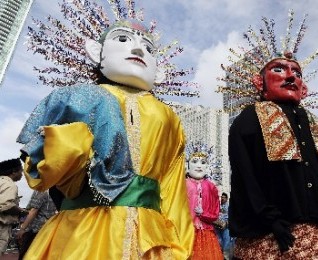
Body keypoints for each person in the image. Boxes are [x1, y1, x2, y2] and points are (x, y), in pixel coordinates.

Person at [16, 1, 195, 259]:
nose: (137, 48)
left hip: (150, 238)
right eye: (122, 39)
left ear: (160, 73)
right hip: (81, 231)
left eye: (148, 48)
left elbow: (174, 189)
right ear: (95, 51)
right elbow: (44, 171)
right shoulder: (77, 98)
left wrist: (179, 243)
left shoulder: (169, 118)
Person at [221, 11, 318, 259]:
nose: (290, 76)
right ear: (259, 82)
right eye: (279, 69)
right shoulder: (249, 119)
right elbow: (245, 176)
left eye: (297, 73)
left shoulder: (316, 124)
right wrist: (269, 218)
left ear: (304, 88)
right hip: (267, 239)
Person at [185, 142, 223, 260]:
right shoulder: (182, 185)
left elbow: (215, 213)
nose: (199, 166)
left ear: (208, 167)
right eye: (194, 161)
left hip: (207, 234)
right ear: (187, 165)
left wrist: (203, 213)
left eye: (203, 162)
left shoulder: (211, 187)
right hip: (186, 232)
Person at [16, 190, 57, 259]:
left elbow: (33, 211)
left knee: (25, 253)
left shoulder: (41, 190)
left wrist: (22, 228)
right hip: (48, 228)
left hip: (35, 228)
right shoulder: (55, 191)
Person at [0, 158, 27, 256]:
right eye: (21, 171)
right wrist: (23, 211)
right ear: (14, 171)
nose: (22, 174)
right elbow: (6, 205)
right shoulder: (10, 185)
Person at [214, 192, 231, 259]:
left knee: (226, 241)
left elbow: (231, 217)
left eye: (224, 197)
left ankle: (226, 257)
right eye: (222, 197)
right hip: (217, 226)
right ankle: (219, 255)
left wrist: (226, 223)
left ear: (227, 199)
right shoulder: (217, 206)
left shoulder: (229, 207)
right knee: (218, 241)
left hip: (226, 227)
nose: (222, 198)